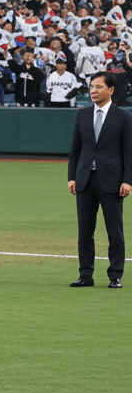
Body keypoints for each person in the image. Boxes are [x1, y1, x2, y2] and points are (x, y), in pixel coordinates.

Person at [67, 72, 130, 289]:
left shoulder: (123, 116)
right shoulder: (82, 114)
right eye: (91, 87)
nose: (93, 91)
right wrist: (72, 177)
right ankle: (85, 275)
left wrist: (127, 180)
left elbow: (129, 153)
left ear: (111, 90)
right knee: (84, 231)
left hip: (112, 182)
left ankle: (115, 276)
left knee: (115, 232)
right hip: (84, 180)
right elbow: (75, 149)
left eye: (98, 87)